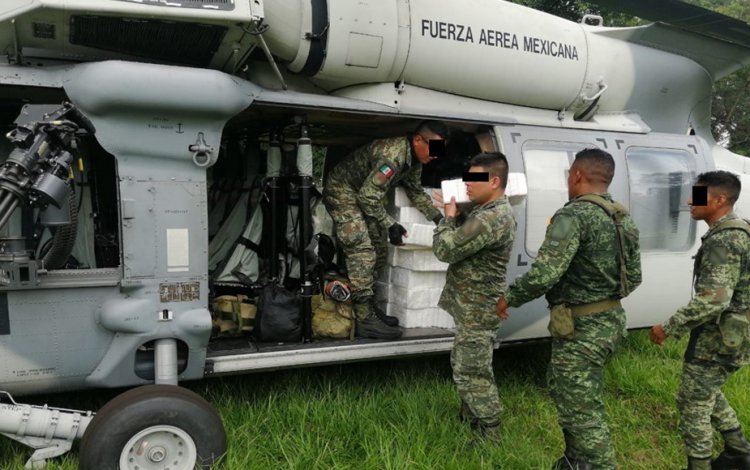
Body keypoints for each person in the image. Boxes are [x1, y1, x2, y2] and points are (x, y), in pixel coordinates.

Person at [497, 148, 641, 469]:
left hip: (583, 327)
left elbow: (545, 274)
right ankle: (575, 461)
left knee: (582, 409)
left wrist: (508, 298)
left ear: (576, 175)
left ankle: (597, 464)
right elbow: (634, 277)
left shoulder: (573, 216)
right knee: (566, 388)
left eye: (568, 175)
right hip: (610, 320)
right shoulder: (621, 217)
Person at [650, 171, 750, 470]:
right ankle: (738, 450)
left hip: (718, 338)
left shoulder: (727, 238)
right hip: (731, 334)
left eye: (698, 196)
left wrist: (668, 327)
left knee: (692, 401)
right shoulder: (737, 229)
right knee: (705, 390)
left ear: (720, 200)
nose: (690, 201)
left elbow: (714, 300)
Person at [323, 120, 448, 339]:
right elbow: (367, 197)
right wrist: (391, 224)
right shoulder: (393, 157)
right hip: (342, 191)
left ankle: (368, 306)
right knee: (362, 251)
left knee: (379, 249)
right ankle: (363, 318)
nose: (436, 155)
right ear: (418, 140)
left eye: (440, 150)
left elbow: (415, 192)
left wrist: (439, 219)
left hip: (361, 195)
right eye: (433, 148)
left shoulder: (414, 161)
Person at [432, 152, 516, 442]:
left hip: (478, 308)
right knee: (465, 362)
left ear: (494, 181)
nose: (467, 183)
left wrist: (448, 219)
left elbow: (446, 249)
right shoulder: (490, 212)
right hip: (475, 306)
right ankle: (470, 417)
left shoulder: (489, 218)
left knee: (472, 370)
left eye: (474, 178)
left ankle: (490, 431)